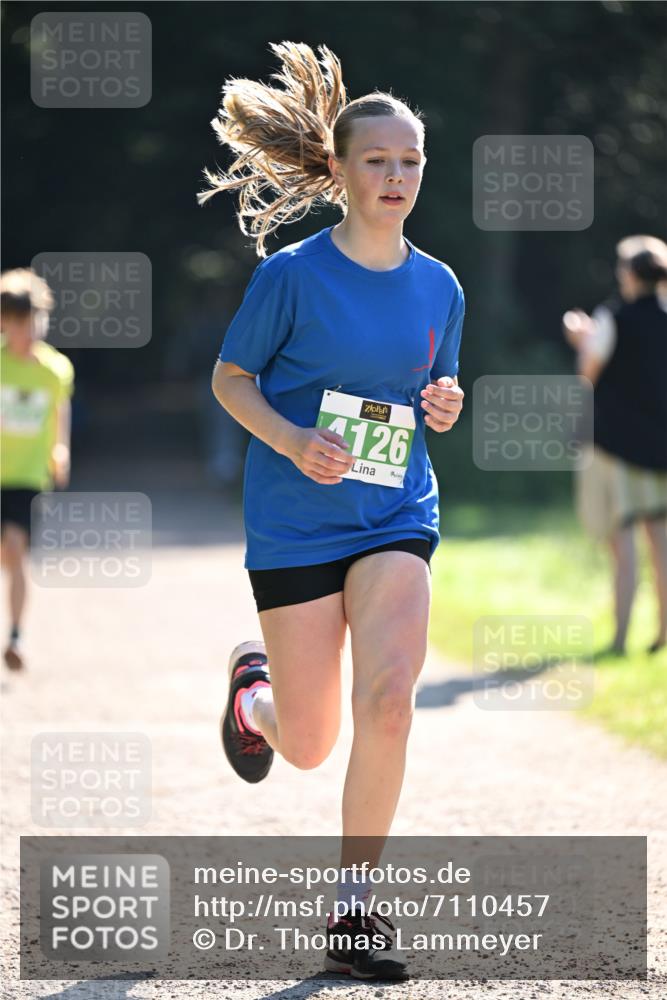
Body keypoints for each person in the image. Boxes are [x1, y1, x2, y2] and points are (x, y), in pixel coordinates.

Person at [198, 42, 465, 980]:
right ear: (340, 171)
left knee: (388, 700)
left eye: (410, 161)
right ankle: (253, 694)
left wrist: (445, 402)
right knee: (308, 744)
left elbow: (432, 383)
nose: (396, 176)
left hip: (395, 512)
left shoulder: (440, 283)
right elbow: (232, 380)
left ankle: (353, 911)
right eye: (377, 160)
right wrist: (291, 441)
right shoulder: (292, 277)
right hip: (295, 521)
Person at [563, 235, 667, 656]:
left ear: (629, 273)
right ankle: (662, 635)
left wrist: (582, 340)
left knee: (622, 544)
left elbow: (588, 372)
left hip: (614, 445)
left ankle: (621, 638)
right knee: (661, 543)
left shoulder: (613, 317)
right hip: (660, 447)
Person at [1, 268, 74, 670]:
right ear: (3, 323)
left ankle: (14, 635)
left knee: (15, 550)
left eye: (34, 322)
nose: (28, 331)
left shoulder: (54, 369)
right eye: (19, 324)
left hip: (27, 475)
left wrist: (60, 450)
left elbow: (59, 414)